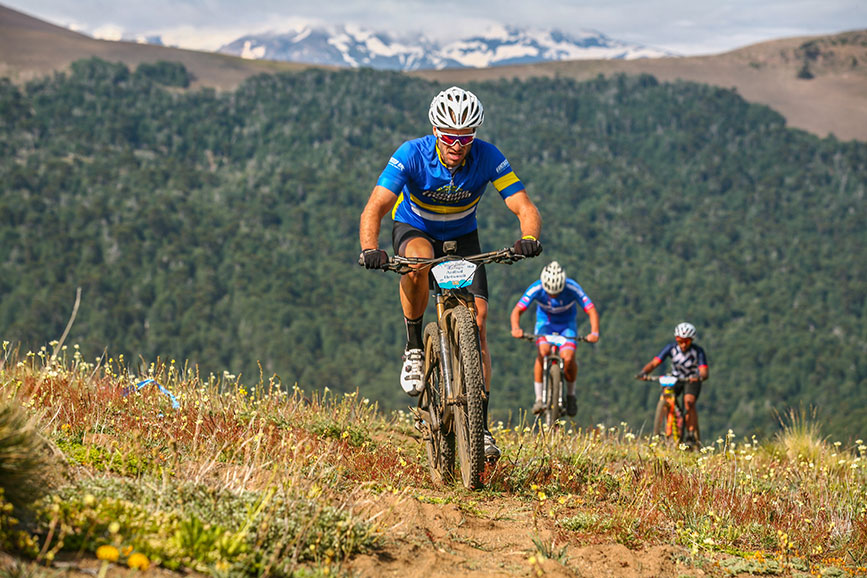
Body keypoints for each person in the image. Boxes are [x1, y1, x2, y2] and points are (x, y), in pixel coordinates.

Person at [359, 86, 543, 461]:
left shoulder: (488, 156)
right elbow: (375, 207)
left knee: (479, 321)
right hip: (415, 229)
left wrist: (529, 238)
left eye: (466, 137)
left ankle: (482, 427)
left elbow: (523, 204)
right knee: (418, 263)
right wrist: (370, 248)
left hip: (462, 236)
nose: (457, 145)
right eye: (449, 137)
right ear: (435, 130)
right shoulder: (411, 154)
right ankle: (414, 347)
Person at [510, 261, 600, 417]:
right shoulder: (536, 288)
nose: (553, 296)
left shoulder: (572, 288)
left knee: (569, 357)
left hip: (566, 326)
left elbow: (591, 310)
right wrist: (516, 328)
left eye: (556, 293)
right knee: (542, 352)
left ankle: (571, 396)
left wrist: (594, 332)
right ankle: (539, 398)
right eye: (550, 293)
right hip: (545, 324)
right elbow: (517, 310)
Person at [636, 322, 709, 446]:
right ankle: (667, 427)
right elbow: (655, 363)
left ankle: (691, 434)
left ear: (691, 340)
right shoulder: (671, 348)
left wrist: (700, 377)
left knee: (689, 402)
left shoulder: (698, 351)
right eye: (680, 341)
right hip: (676, 379)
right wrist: (643, 373)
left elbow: (704, 370)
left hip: (691, 380)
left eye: (686, 341)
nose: (683, 344)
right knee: (667, 395)